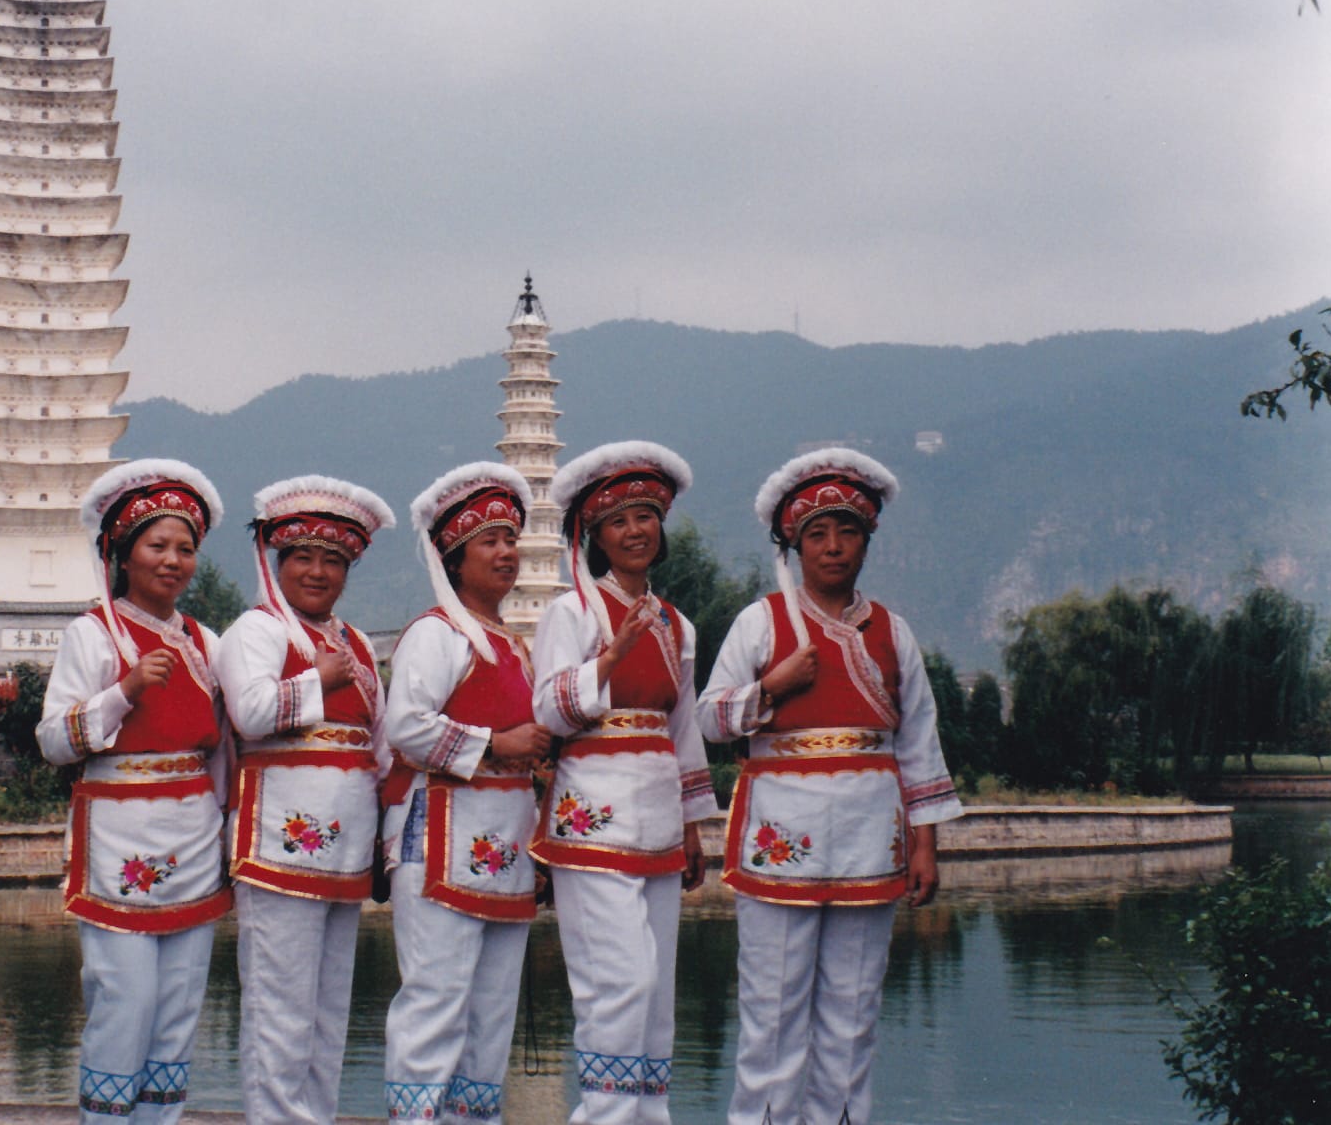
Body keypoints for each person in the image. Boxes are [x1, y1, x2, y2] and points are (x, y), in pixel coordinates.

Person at [697, 447, 963, 1125]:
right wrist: (773, 687)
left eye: (848, 531)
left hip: (872, 841)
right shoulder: (760, 623)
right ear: (793, 545)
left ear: (867, 539)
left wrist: (924, 846)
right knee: (773, 1009)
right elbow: (710, 716)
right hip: (780, 837)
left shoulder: (892, 633)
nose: (834, 547)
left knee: (853, 1011)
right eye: (817, 533)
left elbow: (918, 741)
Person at [35, 459, 233, 1124]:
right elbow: (54, 741)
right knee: (125, 998)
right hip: (119, 837)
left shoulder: (207, 641)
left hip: (194, 839)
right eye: (157, 545)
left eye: (185, 548)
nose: (173, 560)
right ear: (122, 554)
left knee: (179, 1007)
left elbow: (226, 746)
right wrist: (125, 691)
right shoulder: (91, 635)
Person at [529, 441, 717, 1125]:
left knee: (657, 991)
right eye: (619, 521)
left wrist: (695, 823)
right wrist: (608, 659)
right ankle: (603, 1115)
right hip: (592, 816)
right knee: (620, 983)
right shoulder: (571, 614)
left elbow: (684, 726)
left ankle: (648, 1116)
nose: (636, 531)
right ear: (594, 537)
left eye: (646, 516)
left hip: (661, 820)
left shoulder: (676, 623)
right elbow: (547, 710)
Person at [212, 474, 395, 1125]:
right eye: (303, 556)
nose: (318, 571)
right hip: (278, 850)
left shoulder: (361, 644)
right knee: (279, 1011)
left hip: (346, 853)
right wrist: (315, 676)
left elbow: (382, 745)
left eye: (334, 560)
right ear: (277, 561)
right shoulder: (255, 632)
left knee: (327, 1014)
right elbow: (252, 713)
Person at [380, 462, 554, 1122]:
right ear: (454, 558)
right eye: (490, 541)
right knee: (435, 1002)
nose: (507, 552)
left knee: (490, 1018)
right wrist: (497, 743)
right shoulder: (438, 634)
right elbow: (406, 727)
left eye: (512, 539)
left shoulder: (513, 645)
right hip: (441, 840)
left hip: (505, 847)